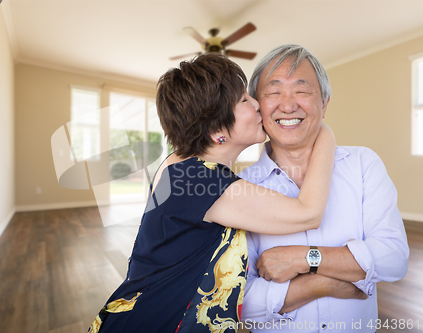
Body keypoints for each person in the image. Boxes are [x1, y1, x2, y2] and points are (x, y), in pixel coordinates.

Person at [88, 53, 336, 333]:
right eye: (244, 100)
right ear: (217, 127)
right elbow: (308, 213)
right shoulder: (200, 181)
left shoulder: (178, 164)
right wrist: (324, 131)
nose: (257, 104)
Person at [238, 44, 410, 332]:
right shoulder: (242, 188)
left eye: (302, 91)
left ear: (325, 103)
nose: (288, 104)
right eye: (273, 92)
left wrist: (303, 258)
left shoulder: (363, 164)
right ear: (258, 107)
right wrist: (321, 283)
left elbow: (393, 258)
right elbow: (242, 303)